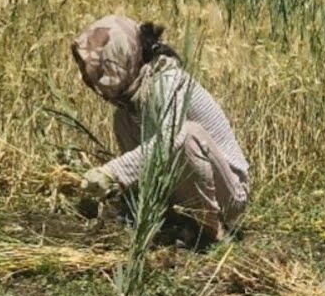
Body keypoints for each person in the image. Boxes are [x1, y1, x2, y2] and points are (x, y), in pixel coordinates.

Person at [71, 15, 250, 246]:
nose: (90, 77)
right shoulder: (128, 110)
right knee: (123, 123)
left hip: (229, 192)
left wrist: (112, 172)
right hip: (183, 190)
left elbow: (172, 139)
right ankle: (179, 221)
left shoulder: (168, 82)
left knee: (185, 135)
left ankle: (212, 231)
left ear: (120, 58)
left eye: (101, 66)